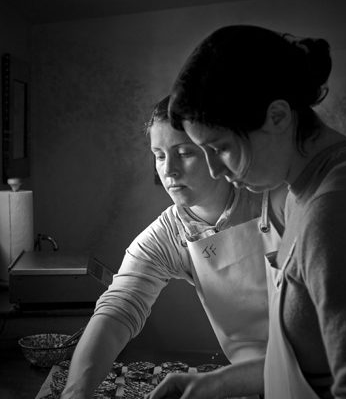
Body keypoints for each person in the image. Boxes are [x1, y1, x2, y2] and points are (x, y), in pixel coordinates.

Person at [148, 25, 346, 399]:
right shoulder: (301, 192)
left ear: (278, 116)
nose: (215, 170)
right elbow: (309, 362)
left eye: (221, 147)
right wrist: (212, 384)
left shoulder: (343, 209)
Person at [60, 95, 287, 399]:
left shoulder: (276, 200)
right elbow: (117, 310)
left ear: (216, 151)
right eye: (160, 155)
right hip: (251, 383)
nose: (170, 170)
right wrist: (75, 392)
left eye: (184, 153)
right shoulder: (168, 234)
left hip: (320, 375)